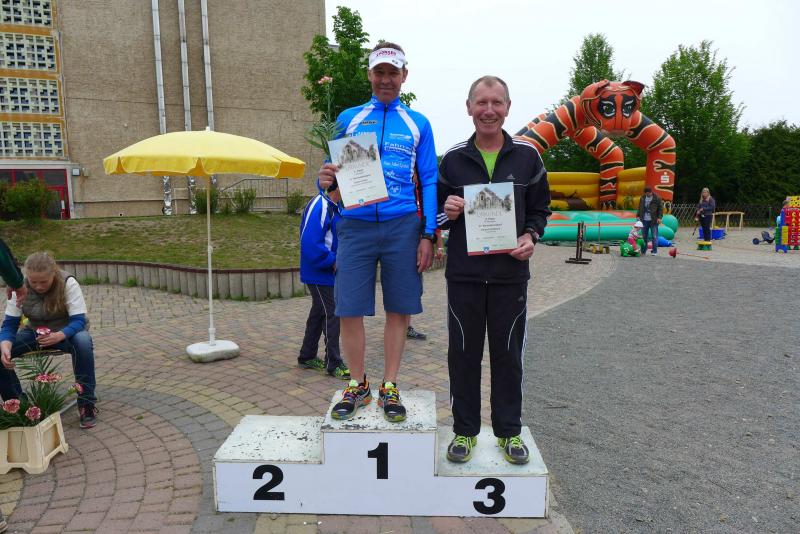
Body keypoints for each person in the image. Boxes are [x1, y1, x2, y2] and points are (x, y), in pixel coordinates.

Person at [317, 41, 438, 422]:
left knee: (399, 307)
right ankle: (357, 384)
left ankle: (390, 385)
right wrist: (324, 182)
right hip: (355, 225)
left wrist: (428, 234)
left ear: (404, 75)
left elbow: (429, 179)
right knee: (349, 307)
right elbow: (331, 180)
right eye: (380, 72)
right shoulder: (348, 118)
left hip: (402, 224)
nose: (386, 79)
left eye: (393, 73)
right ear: (369, 74)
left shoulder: (418, 123)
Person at [438, 76, 551, 464]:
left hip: (509, 276)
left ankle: (509, 432)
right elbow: (436, 214)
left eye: (496, 102)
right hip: (464, 276)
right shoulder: (453, 159)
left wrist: (531, 236)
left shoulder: (528, 156)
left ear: (508, 107)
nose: (489, 110)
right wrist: (447, 211)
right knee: (463, 356)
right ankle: (464, 431)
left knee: (508, 357)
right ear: (469, 107)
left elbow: (540, 210)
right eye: (481, 102)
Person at [0, 252, 97, 429]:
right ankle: (18, 406)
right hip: (34, 332)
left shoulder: (68, 282)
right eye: (33, 282)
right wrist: (5, 344)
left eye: (44, 282)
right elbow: (10, 324)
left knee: (83, 342)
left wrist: (59, 335)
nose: (38, 286)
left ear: (54, 273)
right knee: (0, 351)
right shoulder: (19, 286)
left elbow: (79, 320)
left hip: (67, 331)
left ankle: (86, 403)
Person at [297, 187, 350, 379]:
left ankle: (307, 356)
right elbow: (309, 241)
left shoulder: (336, 206)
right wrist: (332, 260)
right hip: (319, 272)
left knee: (319, 311)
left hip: (326, 272)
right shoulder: (320, 204)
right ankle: (333, 363)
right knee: (332, 312)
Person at [636, 186, 663, 255]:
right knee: (644, 236)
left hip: (653, 220)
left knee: (654, 236)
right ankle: (643, 251)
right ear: (645, 193)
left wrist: (659, 218)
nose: (648, 194)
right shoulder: (642, 198)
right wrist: (638, 215)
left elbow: (660, 209)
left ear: (651, 192)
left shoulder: (657, 198)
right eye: (647, 193)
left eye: (649, 193)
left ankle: (654, 251)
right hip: (644, 220)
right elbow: (639, 207)